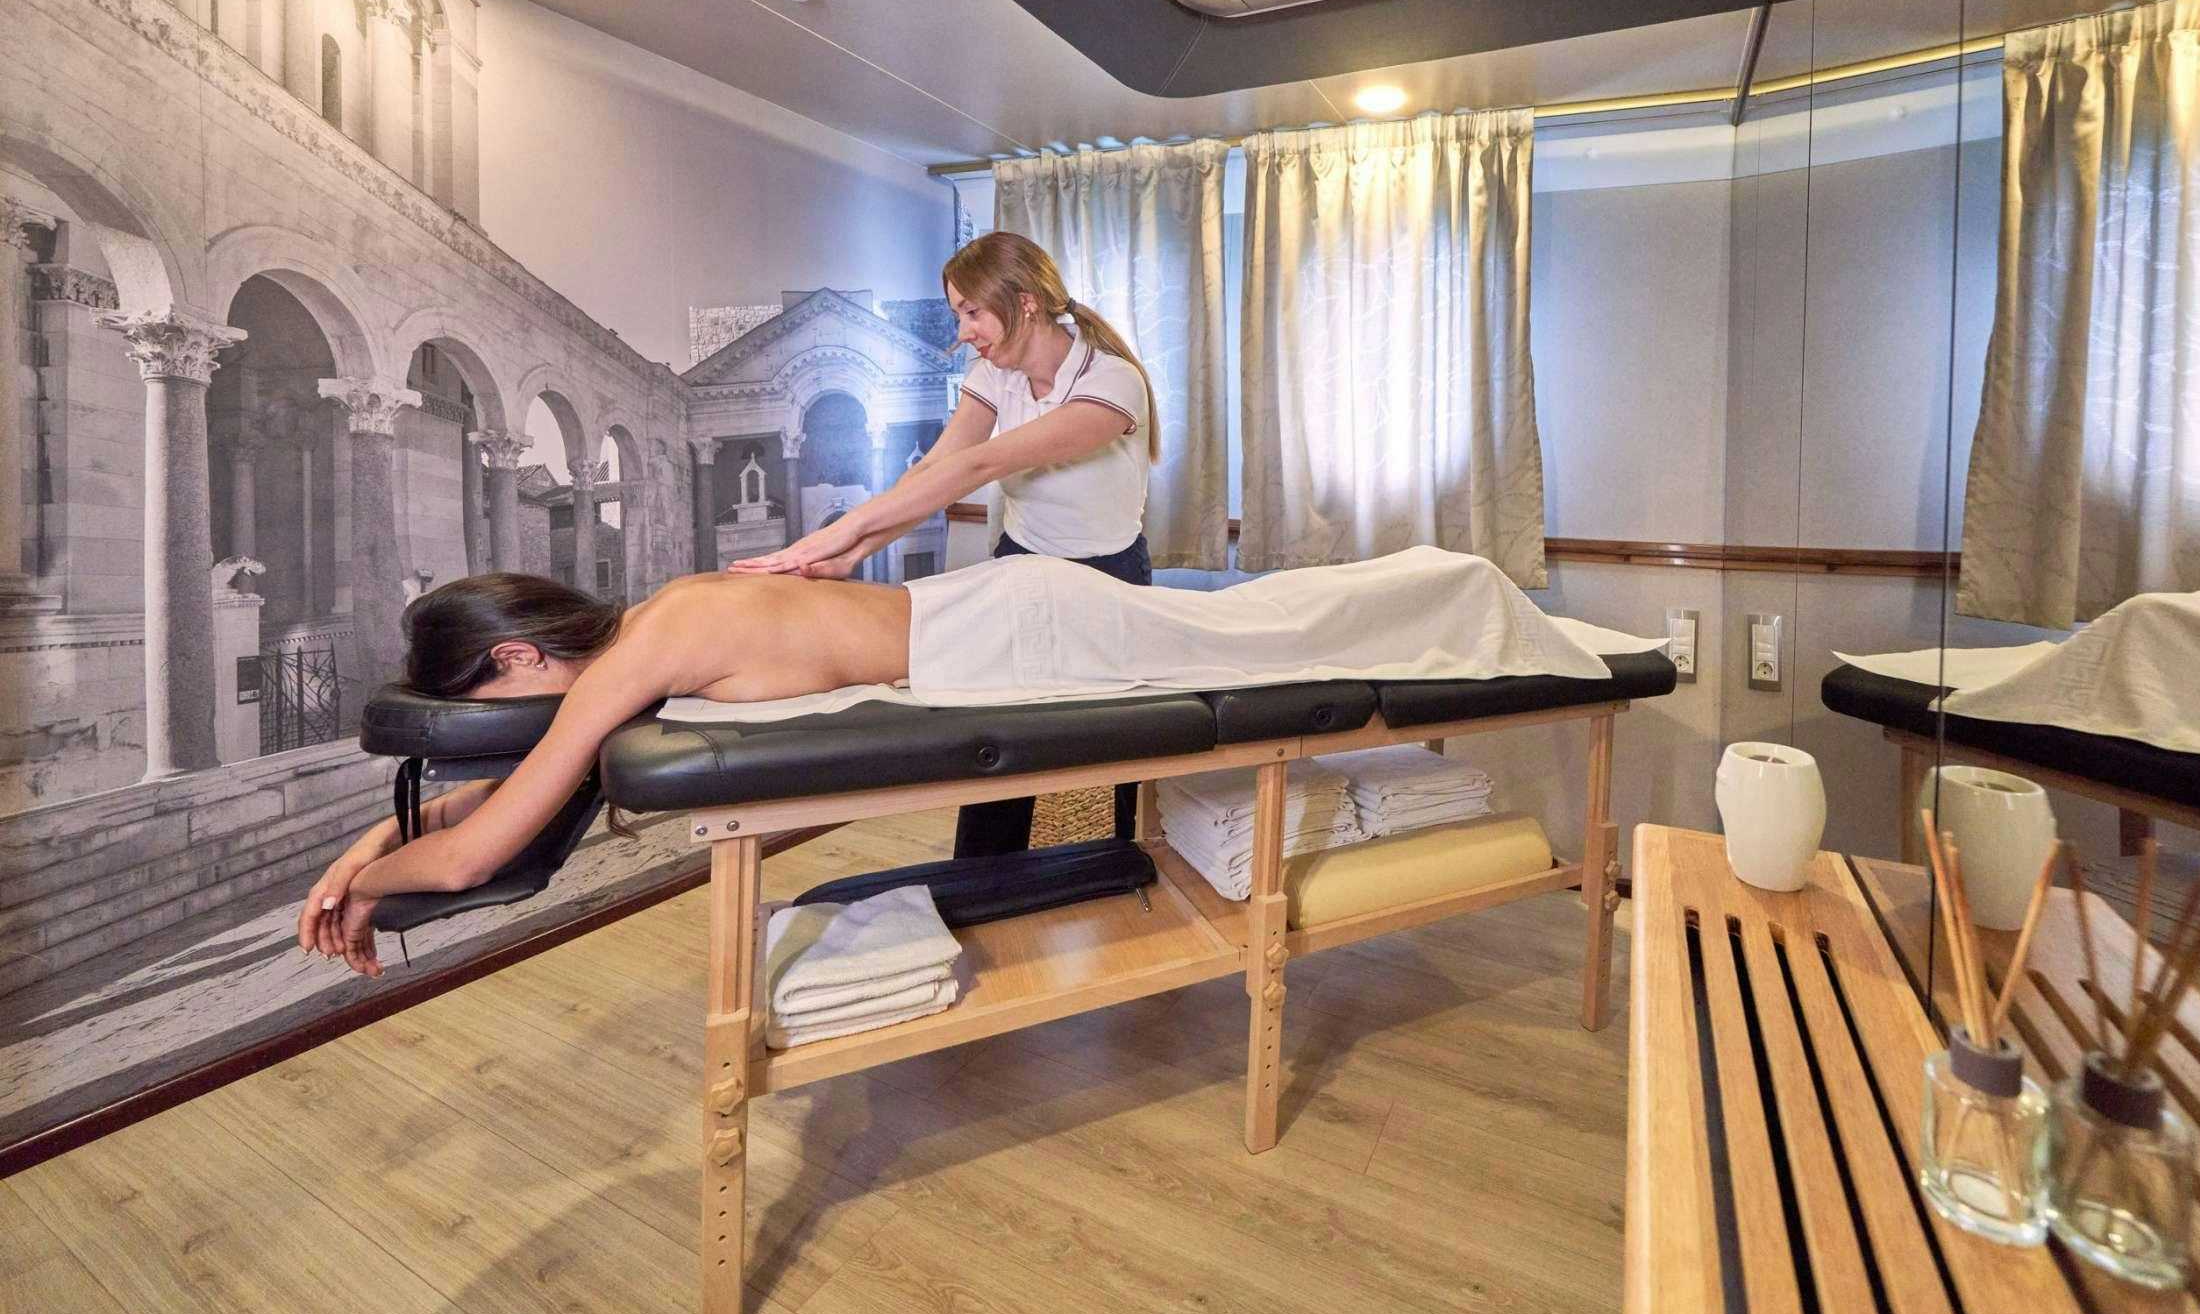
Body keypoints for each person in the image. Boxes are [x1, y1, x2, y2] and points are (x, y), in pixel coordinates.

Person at [300, 549, 1630, 977]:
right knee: (1264, 623)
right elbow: (498, 810)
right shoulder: (652, 629)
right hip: (1003, 617)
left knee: (1276, 632)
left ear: (523, 665)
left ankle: (1465, 592)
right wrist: (368, 853)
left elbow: (484, 847)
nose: (515, 721)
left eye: (486, 700)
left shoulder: (646, 649)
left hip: (1025, 627)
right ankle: (1448, 591)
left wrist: (362, 890)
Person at [734, 232, 1158, 859]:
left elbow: (977, 467)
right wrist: (850, 552)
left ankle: (1129, 863)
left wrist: (834, 536)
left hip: (1112, 575)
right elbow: (932, 469)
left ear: (1026, 302)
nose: (963, 332)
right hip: (1022, 565)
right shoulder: (993, 375)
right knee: (1001, 738)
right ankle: (982, 880)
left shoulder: (1112, 382)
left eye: (971, 312)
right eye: (959, 313)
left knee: (1125, 742)